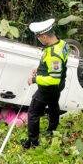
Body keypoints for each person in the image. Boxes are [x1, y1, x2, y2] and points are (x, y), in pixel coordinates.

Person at [22, 18, 69, 149]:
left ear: (44, 36)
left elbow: (54, 79)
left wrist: (35, 79)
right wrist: (39, 69)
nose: (39, 40)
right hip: (58, 87)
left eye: (39, 38)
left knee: (33, 113)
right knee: (53, 106)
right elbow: (55, 65)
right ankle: (52, 129)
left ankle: (33, 142)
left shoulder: (53, 55)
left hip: (49, 88)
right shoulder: (63, 44)